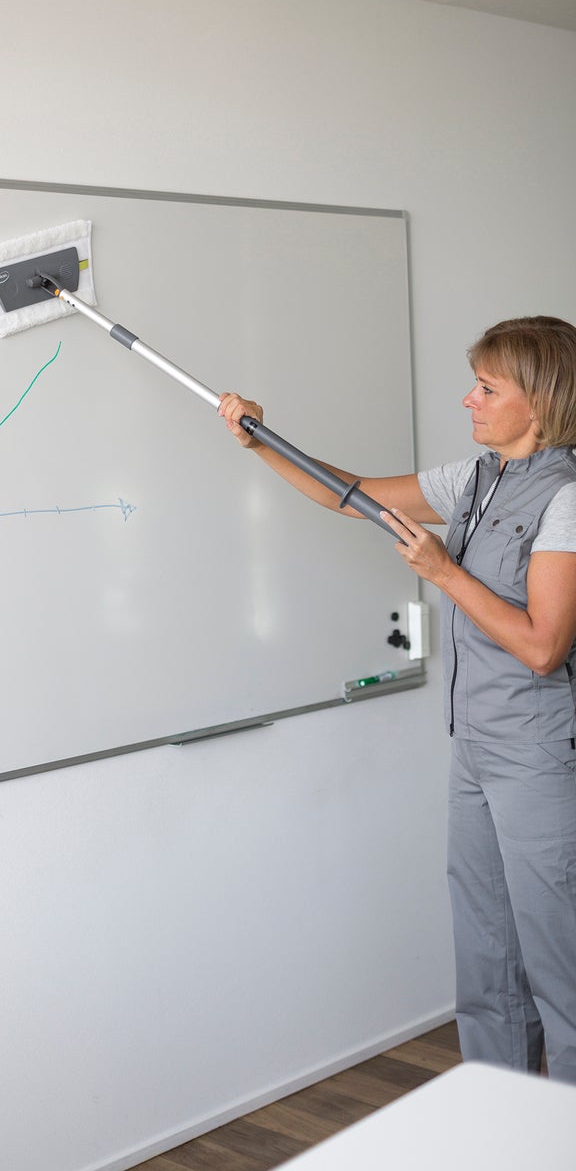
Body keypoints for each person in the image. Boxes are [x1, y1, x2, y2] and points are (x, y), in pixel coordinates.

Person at [219, 315, 576, 1084]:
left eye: (488, 388)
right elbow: (351, 498)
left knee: (561, 966)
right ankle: (500, 1114)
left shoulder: (568, 497)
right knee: (486, 956)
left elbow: (543, 646)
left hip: (541, 756)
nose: (469, 399)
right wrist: (261, 441)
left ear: (541, 403)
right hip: (474, 750)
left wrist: (445, 574)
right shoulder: (476, 479)